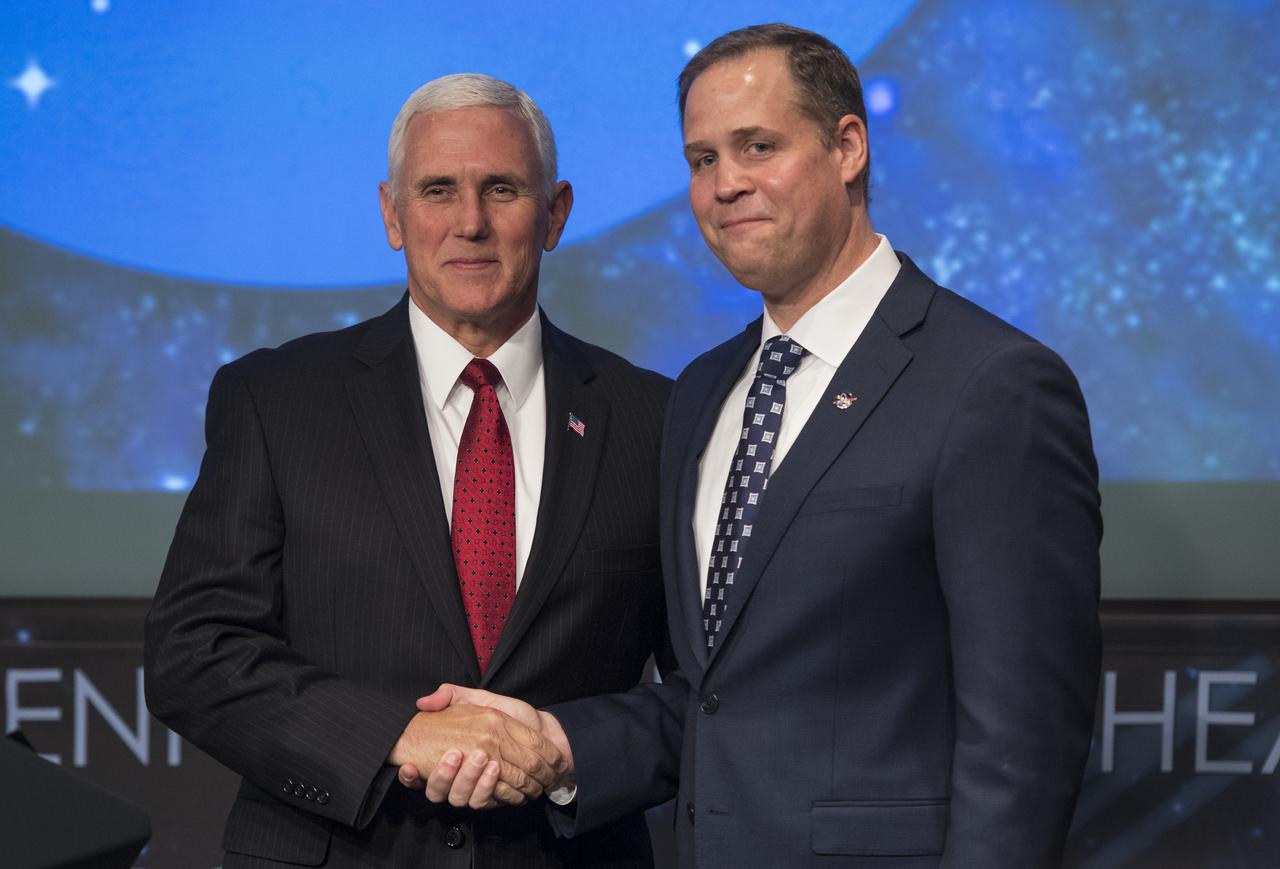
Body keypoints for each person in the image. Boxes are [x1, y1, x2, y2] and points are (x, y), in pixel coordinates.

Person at [411, 24, 1103, 868]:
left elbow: (1024, 741)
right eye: (702, 159)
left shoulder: (992, 385)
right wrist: (561, 742)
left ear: (848, 146)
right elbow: (716, 698)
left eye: (757, 146)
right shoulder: (703, 391)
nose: (726, 184)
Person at [143, 73, 672, 868]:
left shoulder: (657, 419)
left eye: (501, 188)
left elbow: (714, 694)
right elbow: (195, 650)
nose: (470, 222)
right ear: (392, 214)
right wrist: (399, 733)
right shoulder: (275, 398)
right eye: (437, 190)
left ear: (556, 213)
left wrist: (568, 750)